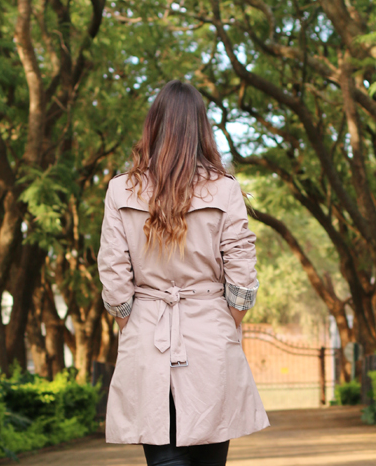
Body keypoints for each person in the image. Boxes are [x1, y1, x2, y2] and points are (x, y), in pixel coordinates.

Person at [97, 80, 270, 466]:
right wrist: (227, 320)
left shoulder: (120, 190)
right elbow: (241, 270)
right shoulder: (224, 189)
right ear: (201, 129)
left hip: (147, 332)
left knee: (163, 459)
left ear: (153, 125)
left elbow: (113, 272)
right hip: (210, 332)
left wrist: (130, 319)